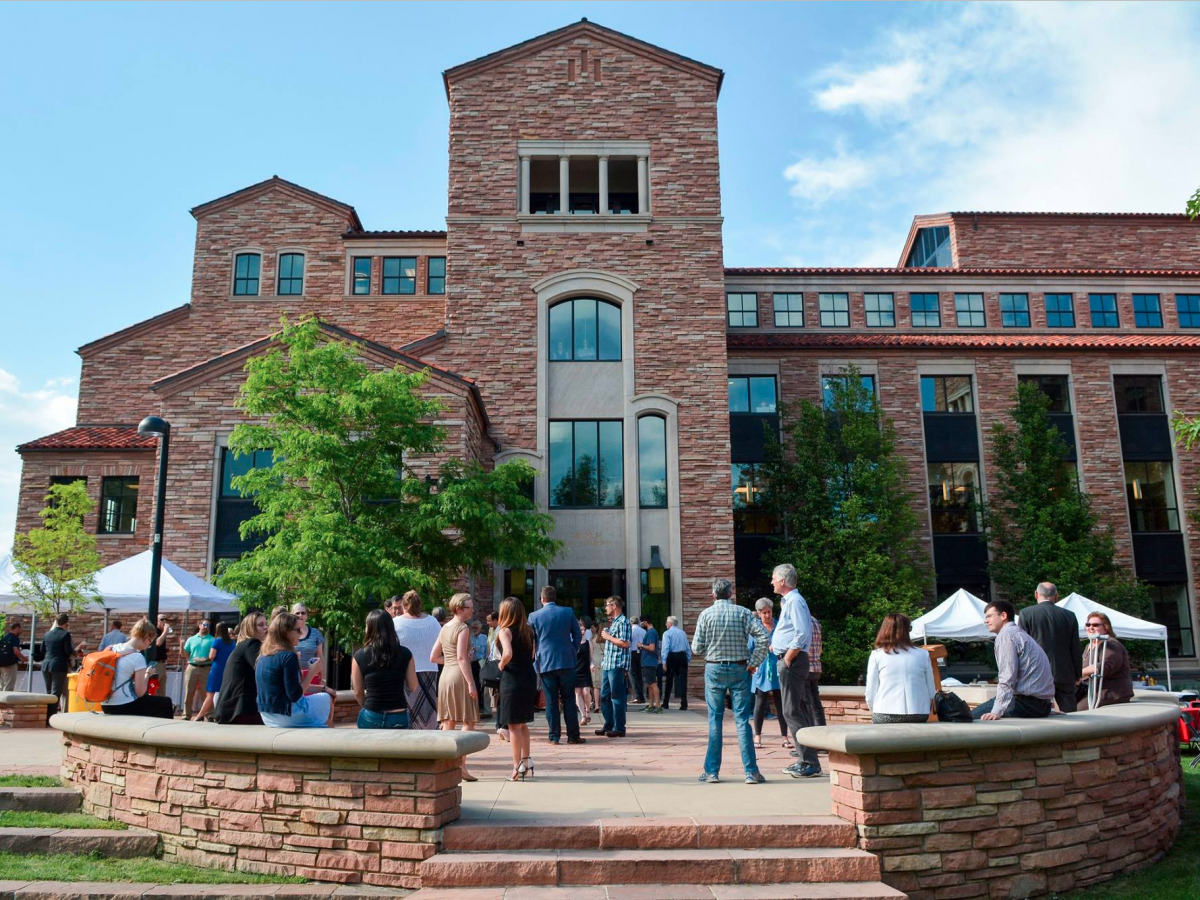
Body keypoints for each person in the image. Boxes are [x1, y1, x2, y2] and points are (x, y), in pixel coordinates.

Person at [691, 578, 769, 784]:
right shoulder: (743, 613)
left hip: (714, 667)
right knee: (742, 720)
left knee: (715, 719)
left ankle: (711, 772)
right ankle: (751, 772)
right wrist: (754, 663)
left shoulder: (705, 614)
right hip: (739, 667)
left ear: (713, 595)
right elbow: (763, 638)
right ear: (730, 594)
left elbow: (696, 649)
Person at [770, 564, 821, 778]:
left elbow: (802, 633)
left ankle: (809, 762)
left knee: (791, 710)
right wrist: (777, 645)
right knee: (795, 708)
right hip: (789, 660)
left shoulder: (795, 601)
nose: (771, 582)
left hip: (793, 661)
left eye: (773, 578)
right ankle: (806, 759)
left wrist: (788, 656)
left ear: (782, 581)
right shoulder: (789, 602)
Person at [972, 600, 1056, 720]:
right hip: (1042, 706)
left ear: (1003, 616)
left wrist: (997, 711)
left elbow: (1007, 677)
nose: (986, 621)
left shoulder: (1006, 636)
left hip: (1026, 705)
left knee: (967, 718)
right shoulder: (1021, 634)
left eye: (990, 616)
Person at [528, 585, 586, 745]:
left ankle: (554, 736)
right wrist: (573, 650)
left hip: (545, 662)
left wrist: (534, 659)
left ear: (542, 599)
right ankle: (573, 736)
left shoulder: (534, 616)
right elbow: (577, 633)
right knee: (568, 699)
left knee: (551, 701)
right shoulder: (567, 612)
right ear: (555, 598)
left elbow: (530, 640)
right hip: (566, 661)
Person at [255, 613, 335, 728]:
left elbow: (288, 688)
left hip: (267, 716)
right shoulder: (288, 656)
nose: (301, 633)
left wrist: (323, 688)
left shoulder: (263, 655)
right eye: (298, 630)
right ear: (286, 633)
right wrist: (312, 672)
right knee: (327, 698)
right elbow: (295, 695)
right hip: (287, 714)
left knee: (324, 712)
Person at [431, 593, 480, 780]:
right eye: (469, 607)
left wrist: (451, 661)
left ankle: (445, 766)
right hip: (459, 676)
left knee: (448, 721)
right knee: (468, 721)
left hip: (445, 676)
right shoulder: (462, 628)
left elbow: (434, 657)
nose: (472, 611)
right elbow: (461, 658)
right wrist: (471, 683)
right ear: (459, 609)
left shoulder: (445, 628)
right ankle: (460, 766)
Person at [1019, 582, 1084, 713]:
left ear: (1036, 594)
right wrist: (1077, 674)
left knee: (1038, 712)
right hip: (1064, 672)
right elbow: (1075, 647)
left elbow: (1022, 648)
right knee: (1071, 712)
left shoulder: (1026, 613)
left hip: (1036, 673)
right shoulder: (1069, 615)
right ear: (1057, 596)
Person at [865, 614, 936, 724]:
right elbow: (931, 691)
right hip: (919, 714)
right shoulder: (923, 654)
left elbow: (870, 692)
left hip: (885, 712)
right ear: (907, 631)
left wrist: (874, 709)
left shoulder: (876, 655)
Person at [353, 609, 417, 729]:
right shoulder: (405, 653)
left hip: (372, 713)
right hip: (398, 714)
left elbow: (357, 691)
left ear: (369, 628)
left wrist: (367, 706)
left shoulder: (359, 655)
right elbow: (413, 686)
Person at [497, 596, 539, 781]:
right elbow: (532, 655)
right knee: (522, 723)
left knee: (513, 724)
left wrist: (501, 663)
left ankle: (517, 766)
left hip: (512, 678)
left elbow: (507, 653)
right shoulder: (529, 631)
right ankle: (527, 759)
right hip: (529, 676)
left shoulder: (504, 631)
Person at [101, 619, 174, 719]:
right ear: (146, 638)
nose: (147, 647)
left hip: (105, 704)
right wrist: (148, 674)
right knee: (166, 703)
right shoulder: (137, 657)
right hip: (122, 706)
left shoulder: (112, 648)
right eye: (149, 643)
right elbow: (140, 693)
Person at [394, 591, 442, 730]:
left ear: (403, 605)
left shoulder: (396, 622)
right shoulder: (433, 621)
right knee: (429, 709)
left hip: (405, 671)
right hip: (430, 669)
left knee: (409, 708)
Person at [216, 612, 267, 725]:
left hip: (232, 708)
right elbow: (265, 671)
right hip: (239, 709)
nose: (266, 627)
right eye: (261, 625)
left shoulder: (243, 645)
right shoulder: (251, 644)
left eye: (266, 624)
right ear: (251, 628)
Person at [749, 598, 787, 748]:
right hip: (762, 668)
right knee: (759, 704)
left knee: (781, 704)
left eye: (769, 612)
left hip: (777, 666)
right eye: (764, 612)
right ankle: (757, 736)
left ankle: (785, 737)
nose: (767, 615)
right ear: (758, 613)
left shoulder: (779, 625)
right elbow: (750, 648)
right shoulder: (754, 628)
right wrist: (752, 665)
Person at [1079, 612, 1134, 709]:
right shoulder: (1089, 645)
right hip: (1092, 690)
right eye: (1088, 625)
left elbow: (1105, 666)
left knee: (1078, 710)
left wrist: (1077, 674)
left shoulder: (1110, 644)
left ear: (1106, 628)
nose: (1091, 627)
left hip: (1110, 692)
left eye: (1095, 625)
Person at [596, 595, 632, 738]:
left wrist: (608, 637)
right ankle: (609, 724)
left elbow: (625, 643)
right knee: (604, 696)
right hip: (608, 664)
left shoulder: (623, 622)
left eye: (607, 605)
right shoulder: (615, 622)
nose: (605, 608)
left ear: (614, 606)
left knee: (617, 696)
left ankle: (619, 727)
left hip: (617, 665)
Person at [42, 614, 84, 713]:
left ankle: (46, 715)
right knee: (56, 692)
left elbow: (42, 650)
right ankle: (51, 717)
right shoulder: (65, 634)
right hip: (59, 665)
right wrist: (77, 651)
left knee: (48, 692)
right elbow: (68, 651)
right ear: (66, 623)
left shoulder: (47, 634)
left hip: (46, 664)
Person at [194, 622, 235, 721]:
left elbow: (212, 656)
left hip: (217, 669)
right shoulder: (232, 642)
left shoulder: (217, 641)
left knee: (211, 693)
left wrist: (204, 659)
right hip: (228, 669)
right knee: (223, 692)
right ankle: (219, 714)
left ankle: (200, 715)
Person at [291, 603, 326, 696]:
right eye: (297, 613)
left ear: (306, 616)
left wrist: (323, 678)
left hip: (312, 674)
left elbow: (320, 656)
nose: (300, 615)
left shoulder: (315, 633)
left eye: (303, 613)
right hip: (293, 675)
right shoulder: (288, 633)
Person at [182, 620, 214, 719]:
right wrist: (181, 647)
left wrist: (206, 659)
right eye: (204, 625)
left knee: (206, 692)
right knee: (189, 692)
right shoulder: (191, 639)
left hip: (206, 667)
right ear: (200, 625)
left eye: (208, 625)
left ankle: (209, 715)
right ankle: (186, 714)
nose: (206, 627)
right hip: (192, 666)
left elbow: (214, 654)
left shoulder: (212, 640)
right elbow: (185, 653)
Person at [661, 615, 692, 711]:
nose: (666, 624)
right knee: (683, 681)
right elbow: (687, 647)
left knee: (669, 681)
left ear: (670, 623)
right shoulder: (682, 633)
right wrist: (687, 659)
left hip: (672, 656)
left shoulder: (667, 633)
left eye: (667, 622)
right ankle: (684, 704)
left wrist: (664, 661)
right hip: (682, 656)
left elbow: (665, 648)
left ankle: (666, 703)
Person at [638, 615, 661, 714]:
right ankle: (651, 705)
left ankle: (658, 706)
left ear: (646, 622)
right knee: (649, 684)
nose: (641, 624)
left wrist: (641, 645)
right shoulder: (650, 632)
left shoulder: (651, 633)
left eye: (642, 622)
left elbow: (652, 648)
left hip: (649, 662)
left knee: (653, 684)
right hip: (648, 661)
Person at [574, 615, 595, 725]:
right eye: (580, 630)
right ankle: (582, 715)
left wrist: (592, 665)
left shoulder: (588, 643)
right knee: (577, 693)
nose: (582, 632)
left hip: (585, 670)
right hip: (575, 670)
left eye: (583, 630)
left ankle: (587, 710)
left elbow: (591, 658)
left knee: (586, 692)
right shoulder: (573, 643)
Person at [808, 616, 827, 727]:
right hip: (816, 665)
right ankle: (822, 732)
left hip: (805, 667)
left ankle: (810, 735)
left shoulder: (801, 620)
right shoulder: (815, 620)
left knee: (806, 705)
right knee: (816, 703)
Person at [149, 615, 173, 698]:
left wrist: (165, 650)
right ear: (157, 621)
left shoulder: (161, 632)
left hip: (162, 663)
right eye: (162, 619)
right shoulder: (155, 631)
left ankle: (161, 708)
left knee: (162, 688)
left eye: (165, 619)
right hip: (156, 663)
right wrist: (165, 632)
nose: (164, 621)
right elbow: (157, 643)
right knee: (154, 686)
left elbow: (158, 647)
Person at [469, 619, 488, 718]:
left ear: (480, 628)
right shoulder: (469, 638)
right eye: (473, 628)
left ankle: (482, 706)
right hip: (472, 663)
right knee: (474, 684)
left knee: (483, 685)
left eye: (476, 628)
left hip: (481, 662)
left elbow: (487, 651)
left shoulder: (484, 638)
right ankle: (476, 706)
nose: (474, 629)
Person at [0, 622, 27, 692]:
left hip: (1, 663)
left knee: (2, 684)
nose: (21, 632)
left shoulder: (5, 637)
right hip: (10, 664)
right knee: (9, 685)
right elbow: (16, 651)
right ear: (17, 628)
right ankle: (6, 702)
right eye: (21, 630)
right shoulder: (15, 638)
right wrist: (24, 658)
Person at [630, 617, 647, 704]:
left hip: (633, 653)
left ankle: (638, 696)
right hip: (641, 652)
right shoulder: (643, 631)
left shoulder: (631, 630)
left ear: (631, 622)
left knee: (633, 675)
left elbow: (629, 642)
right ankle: (641, 695)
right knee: (639, 675)